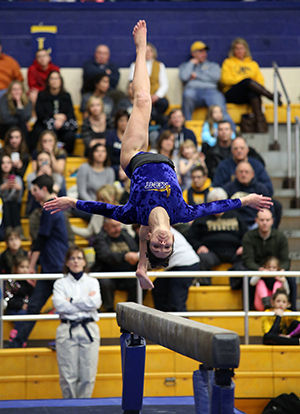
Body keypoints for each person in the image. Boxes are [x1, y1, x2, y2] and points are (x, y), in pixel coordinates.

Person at [43, 20, 273, 291]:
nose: (163, 243)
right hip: (163, 158)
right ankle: (142, 266)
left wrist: (73, 202)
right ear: (173, 240)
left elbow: (103, 208)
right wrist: (245, 200)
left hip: (134, 157)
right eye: (167, 247)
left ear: (151, 238)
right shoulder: (182, 212)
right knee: (151, 107)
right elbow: (214, 207)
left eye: (157, 246)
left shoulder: (134, 213)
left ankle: (140, 51)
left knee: (143, 100)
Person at [7, 174, 69, 348]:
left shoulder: (50, 208)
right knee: (35, 306)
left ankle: (64, 340)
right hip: (51, 265)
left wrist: (32, 265)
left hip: (55, 266)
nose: (32, 194)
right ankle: (18, 341)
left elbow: (41, 239)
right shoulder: (51, 207)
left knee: (60, 307)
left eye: (34, 190)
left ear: (43, 189)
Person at [53, 246, 101, 398]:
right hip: (67, 328)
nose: (76, 261)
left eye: (79, 258)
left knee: (88, 375)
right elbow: (59, 305)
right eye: (72, 258)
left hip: (89, 328)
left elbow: (95, 303)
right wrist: (85, 301)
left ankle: (84, 407)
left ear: (85, 262)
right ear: (67, 262)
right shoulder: (60, 283)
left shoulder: (93, 282)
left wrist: (71, 301)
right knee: (68, 375)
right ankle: (69, 407)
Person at [186, 187, 247, 285]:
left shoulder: (236, 215)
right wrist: (199, 246)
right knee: (202, 259)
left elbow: (246, 234)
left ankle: (237, 288)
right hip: (211, 253)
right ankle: (205, 288)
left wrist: (243, 246)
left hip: (234, 252)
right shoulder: (202, 217)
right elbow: (191, 236)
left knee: (245, 259)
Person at [221, 38, 281, 133]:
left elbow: (260, 82)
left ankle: (260, 127)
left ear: (246, 50)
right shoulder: (228, 62)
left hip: (247, 94)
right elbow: (225, 79)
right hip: (232, 93)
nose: (239, 51)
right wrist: (244, 80)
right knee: (247, 81)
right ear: (233, 51)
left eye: (241, 48)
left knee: (253, 93)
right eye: (236, 48)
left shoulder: (253, 64)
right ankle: (271, 96)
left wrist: (246, 81)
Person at [242, 209, 296, 310]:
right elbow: (248, 260)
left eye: (267, 220)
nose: (265, 223)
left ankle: (292, 311)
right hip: (258, 272)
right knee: (246, 279)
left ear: (272, 221)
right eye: (262, 220)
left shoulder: (280, 237)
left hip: (276, 271)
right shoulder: (248, 237)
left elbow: (285, 260)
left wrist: (279, 270)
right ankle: (249, 311)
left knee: (291, 279)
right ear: (256, 220)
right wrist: (261, 270)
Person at [179, 40, 233, 127]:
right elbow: (184, 77)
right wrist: (191, 63)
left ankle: (231, 132)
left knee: (220, 107)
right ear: (193, 54)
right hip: (193, 91)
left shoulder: (213, 65)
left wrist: (196, 75)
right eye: (200, 51)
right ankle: (187, 126)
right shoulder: (186, 66)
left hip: (211, 91)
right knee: (187, 95)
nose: (204, 53)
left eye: (204, 51)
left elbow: (216, 78)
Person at [92, 218, 138, 312]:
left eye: (118, 225)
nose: (118, 229)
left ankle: (131, 310)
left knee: (141, 281)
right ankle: (109, 310)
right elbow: (106, 256)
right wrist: (125, 256)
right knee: (105, 283)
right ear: (105, 227)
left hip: (127, 274)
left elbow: (135, 249)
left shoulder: (125, 234)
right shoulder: (99, 238)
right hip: (108, 274)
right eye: (114, 226)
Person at [152, 226, 200, 312]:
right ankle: (163, 319)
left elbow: (158, 252)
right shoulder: (162, 227)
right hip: (180, 264)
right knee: (158, 287)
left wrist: (137, 256)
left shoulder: (160, 231)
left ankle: (183, 324)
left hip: (185, 264)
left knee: (176, 301)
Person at [32, 70, 77, 154]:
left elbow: (70, 113)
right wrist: (54, 117)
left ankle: (67, 155)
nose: (54, 81)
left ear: (61, 81)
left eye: (57, 78)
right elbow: (40, 113)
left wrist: (61, 121)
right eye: (52, 79)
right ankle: (39, 154)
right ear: (48, 82)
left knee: (70, 135)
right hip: (45, 123)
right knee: (38, 132)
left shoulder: (66, 96)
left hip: (63, 125)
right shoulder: (42, 95)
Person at [223, 161, 272, 229]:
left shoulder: (261, 189)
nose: (243, 174)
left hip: (255, 223)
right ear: (236, 174)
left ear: (252, 174)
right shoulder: (227, 189)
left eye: (246, 172)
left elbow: (268, 209)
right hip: (235, 223)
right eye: (241, 172)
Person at [129, 42, 168, 126]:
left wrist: (156, 96)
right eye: (145, 51)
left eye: (150, 51)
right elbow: (132, 83)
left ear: (153, 52)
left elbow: (164, 84)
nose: (147, 53)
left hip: (156, 98)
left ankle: (153, 121)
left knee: (164, 103)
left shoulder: (160, 65)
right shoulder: (134, 65)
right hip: (141, 96)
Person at [4, 256, 35, 345]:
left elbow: (31, 298)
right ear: (15, 269)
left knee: (27, 313)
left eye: (27, 267)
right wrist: (21, 305)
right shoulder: (10, 282)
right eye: (22, 267)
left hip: (23, 310)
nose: (25, 270)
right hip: (12, 309)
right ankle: (17, 335)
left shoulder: (28, 284)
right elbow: (7, 299)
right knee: (22, 314)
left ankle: (21, 337)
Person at [0, 154, 23, 237]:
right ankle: (8, 232)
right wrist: (2, 188)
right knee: (5, 204)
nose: (6, 165)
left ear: (12, 164)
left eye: (8, 162)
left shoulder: (17, 179)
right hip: (2, 206)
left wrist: (17, 190)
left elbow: (18, 199)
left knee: (12, 204)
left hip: (14, 206)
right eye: (3, 163)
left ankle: (15, 232)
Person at [106, 109, 129, 179]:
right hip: (114, 166)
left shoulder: (133, 136)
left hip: (128, 166)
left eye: (126, 120)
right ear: (117, 122)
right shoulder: (111, 135)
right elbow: (108, 154)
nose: (124, 123)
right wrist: (120, 168)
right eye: (121, 120)